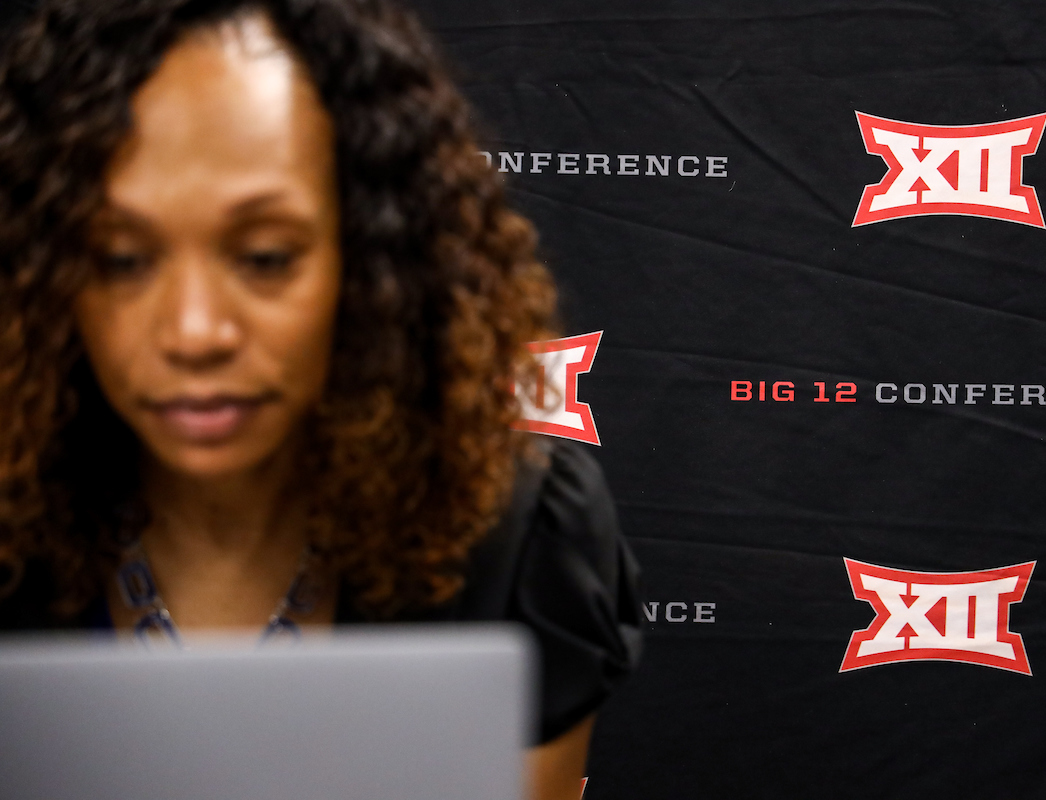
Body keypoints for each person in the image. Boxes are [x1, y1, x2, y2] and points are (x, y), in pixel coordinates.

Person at [0, 1, 643, 798]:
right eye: (123, 259)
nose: (195, 330)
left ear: (371, 255)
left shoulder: (518, 537)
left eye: (266, 256)